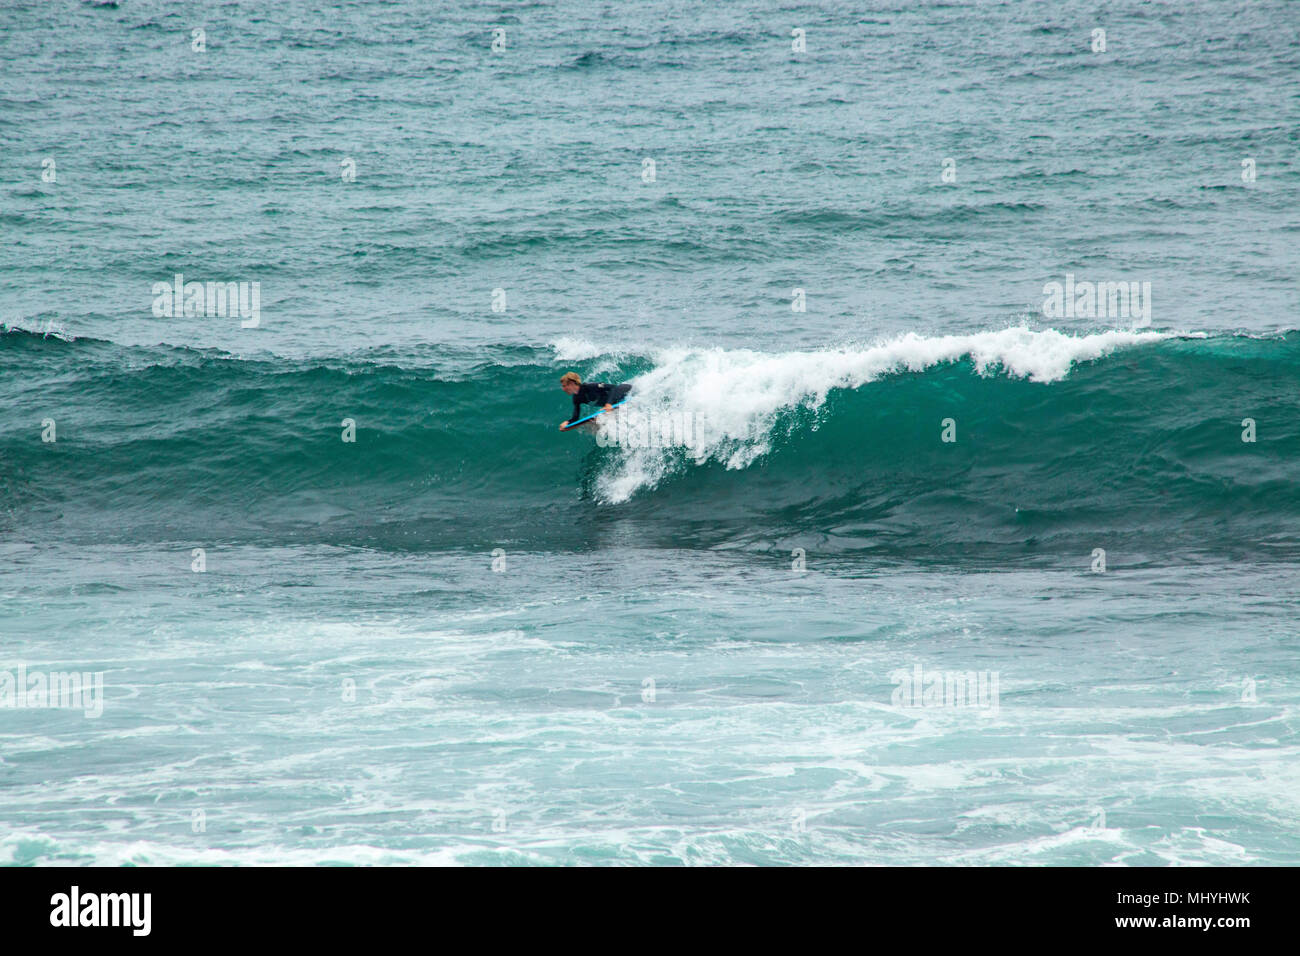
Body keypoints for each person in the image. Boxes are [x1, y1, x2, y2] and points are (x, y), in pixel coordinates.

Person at [559, 372, 631, 429]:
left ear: (571, 383)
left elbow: (613, 387)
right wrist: (568, 423)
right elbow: (575, 418)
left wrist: (608, 404)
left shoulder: (590, 386)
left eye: (564, 386)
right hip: (618, 403)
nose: (563, 389)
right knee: (595, 422)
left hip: (627, 392)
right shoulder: (576, 398)